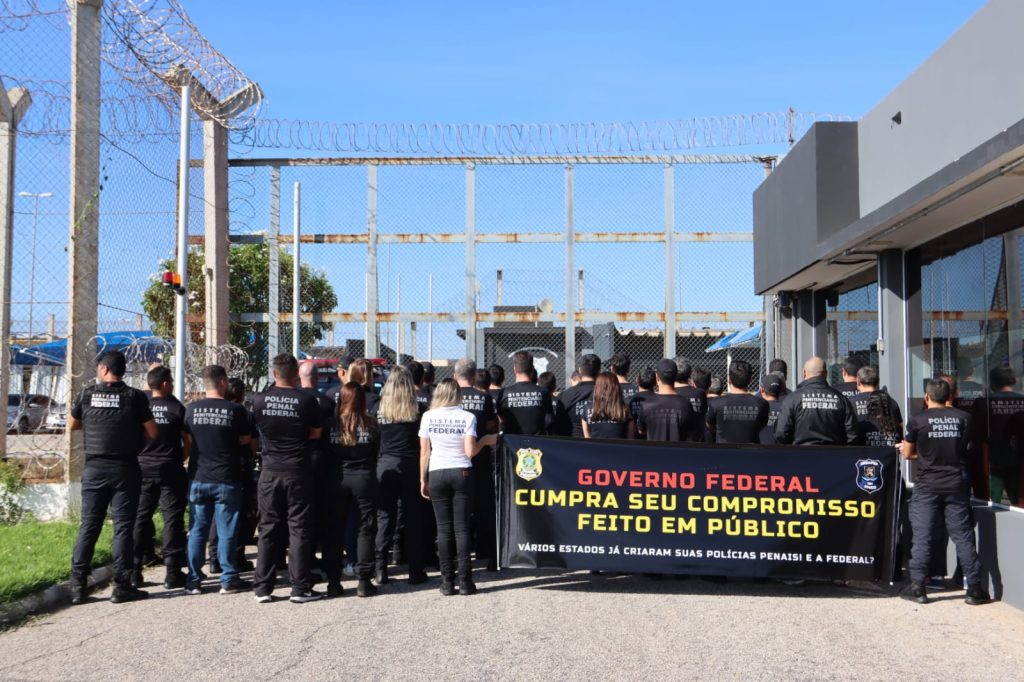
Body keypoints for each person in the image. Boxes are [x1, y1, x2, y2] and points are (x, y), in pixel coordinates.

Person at [68, 351, 157, 605]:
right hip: (124, 469)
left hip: (95, 468)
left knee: (89, 526)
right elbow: (152, 431)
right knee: (122, 528)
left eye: (99, 367)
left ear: (105, 369)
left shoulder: (86, 395)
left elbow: (72, 424)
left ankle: (77, 586)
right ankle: (121, 586)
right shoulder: (135, 397)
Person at [902, 379, 990, 606]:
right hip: (956, 484)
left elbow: (909, 454)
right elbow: (964, 449)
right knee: (963, 536)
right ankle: (974, 589)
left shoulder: (917, 420)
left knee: (922, 536)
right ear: (949, 396)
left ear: (927, 397)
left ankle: (918, 588)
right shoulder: (964, 418)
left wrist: (920, 453)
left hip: (927, 484)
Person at [251, 353, 324, 604]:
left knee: (268, 529)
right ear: (295, 374)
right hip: (297, 470)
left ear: (274, 373)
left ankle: (263, 588)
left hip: (270, 470)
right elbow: (315, 433)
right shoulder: (305, 401)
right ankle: (300, 587)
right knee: (299, 529)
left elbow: (257, 430)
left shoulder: (259, 400)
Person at [419, 379, 497, 596]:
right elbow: (470, 451)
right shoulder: (466, 416)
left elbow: (425, 451)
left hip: (436, 471)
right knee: (461, 528)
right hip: (461, 471)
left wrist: (422, 479)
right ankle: (465, 581)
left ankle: (446, 582)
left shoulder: (428, 416)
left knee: (443, 529)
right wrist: (485, 441)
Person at [182, 365, 252, 595]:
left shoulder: (191, 409)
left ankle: (193, 580)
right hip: (226, 477)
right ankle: (228, 578)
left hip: (198, 477)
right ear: (222, 382)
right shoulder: (235, 410)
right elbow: (245, 439)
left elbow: (188, 440)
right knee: (227, 530)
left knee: (197, 529)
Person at [132, 365, 187, 589]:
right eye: (171, 380)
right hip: (170, 468)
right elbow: (189, 441)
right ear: (165, 383)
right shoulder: (176, 408)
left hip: (143, 469)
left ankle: (134, 571)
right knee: (172, 519)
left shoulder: (142, 407)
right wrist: (180, 458)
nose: (173, 384)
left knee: (140, 518)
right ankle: (172, 572)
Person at [324, 382, 381, 598]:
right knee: (365, 529)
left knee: (334, 530)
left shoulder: (330, 424)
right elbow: (377, 454)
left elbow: (325, 453)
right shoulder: (372, 425)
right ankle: (364, 581)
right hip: (364, 478)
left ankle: (333, 583)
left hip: (337, 479)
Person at [374, 366, 429, 586]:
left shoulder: (378, 409)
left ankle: (380, 570)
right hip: (411, 464)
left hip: (386, 463)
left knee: (384, 517)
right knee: (413, 518)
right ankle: (415, 571)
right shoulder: (419, 408)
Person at [454, 358, 500, 572]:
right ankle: (489, 555)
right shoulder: (484, 398)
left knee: (457, 510)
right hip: (479, 459)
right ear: (473, 377)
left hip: (455, 459)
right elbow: (492, 427)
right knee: (485, 509)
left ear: (455, 376)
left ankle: (458, 556)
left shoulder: (449, 399)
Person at [774, 357, 858, 446]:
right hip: (833, 456)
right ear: (826, 374)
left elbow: (781, 433)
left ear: (804, 373)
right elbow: (852, 434)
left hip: (801, 456)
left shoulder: (792, 399)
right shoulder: (840, 399)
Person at [974, 366, 1024, 506]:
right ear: (1013, 381)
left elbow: (976, 434)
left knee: (989, 505)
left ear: (992, 383)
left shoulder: (982, 403)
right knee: (1020, 505)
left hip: (991, 461)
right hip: (1019, 462)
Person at [705, 360, 768, 444]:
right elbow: (762, 426)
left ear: (729, 380)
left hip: (724, 453)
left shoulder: (716, 403)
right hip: (752, 453)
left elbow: (709, 425)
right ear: (750, 380)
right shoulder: (762, 404)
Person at [639, 359, 695, 442]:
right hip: (678, 453)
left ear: (657, 378)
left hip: (654, 453)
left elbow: (641, 430)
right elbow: (690, 431)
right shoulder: (685, 404)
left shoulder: (646, 405)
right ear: (675, 376)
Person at [498, 351, 551, 436]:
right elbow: (549, 418)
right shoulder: (544, 392)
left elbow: (501, 419)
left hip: (513, 444)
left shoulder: (504, 393)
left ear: (514, 369)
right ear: (533, 369)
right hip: (537, 445)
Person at [553, 354, 601, 437]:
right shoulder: (606, 393)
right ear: (599, 371)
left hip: (572, 443)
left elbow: (558, 426)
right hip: (600, 442)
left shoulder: (565, 395)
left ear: (580, 371)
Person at [850, 366, 904, 434]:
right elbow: (900, 426)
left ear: (858, 381)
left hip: (861, 443)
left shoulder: (850, 402)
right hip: (888, 443)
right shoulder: (891, 401)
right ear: (878, 382)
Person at [582, 372, 635, 439]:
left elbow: (587, 437)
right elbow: (630, 437)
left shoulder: (587, 409)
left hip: (594, 448)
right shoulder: (625, 409)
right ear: (616, 387)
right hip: (619, 448)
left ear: (597, 387)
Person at [674, 358, 708, 442]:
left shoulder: (669, 394)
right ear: (689, 373)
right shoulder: (700, 393)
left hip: (675, 443)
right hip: (697, 443)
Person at [628, 367, 656, 438]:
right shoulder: (658, 400)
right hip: (654, 438)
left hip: (634, 439)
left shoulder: (631, 400)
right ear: (655, 382)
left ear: (637, 380)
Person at [758, 372, 785, 444]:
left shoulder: (758, 408)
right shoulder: (786, 408)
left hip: (761, 450)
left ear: (762, 390)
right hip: (782, 450)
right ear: (780, 391)